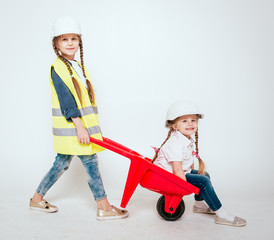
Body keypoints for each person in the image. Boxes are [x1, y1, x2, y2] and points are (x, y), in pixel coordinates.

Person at [29, 17, 128, 221]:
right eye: (64, 39)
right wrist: (80, 127)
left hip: (81, 129)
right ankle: (104, 206)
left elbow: (86, 102)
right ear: (56, 44)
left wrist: (91, 129)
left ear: (79, 41)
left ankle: (36, 199)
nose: (70, 43)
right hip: (74, 129)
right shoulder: (59, 67)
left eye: (74, 38)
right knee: (90, 162)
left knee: (62, 164)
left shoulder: (78, 67)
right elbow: (67, 101)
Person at [152, 100, 246, 226]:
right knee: (203, 181)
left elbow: (186, 161)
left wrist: (192, 172)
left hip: (175, 173)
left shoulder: (185, 139)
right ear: (174, 125)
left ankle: (199, 205)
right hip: (166, 176)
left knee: (204, 175)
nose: (190, 123)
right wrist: (182, 186)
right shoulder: (176, 143)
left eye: (193, 120)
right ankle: (221, 214)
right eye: (184, 121)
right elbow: (177, 168)